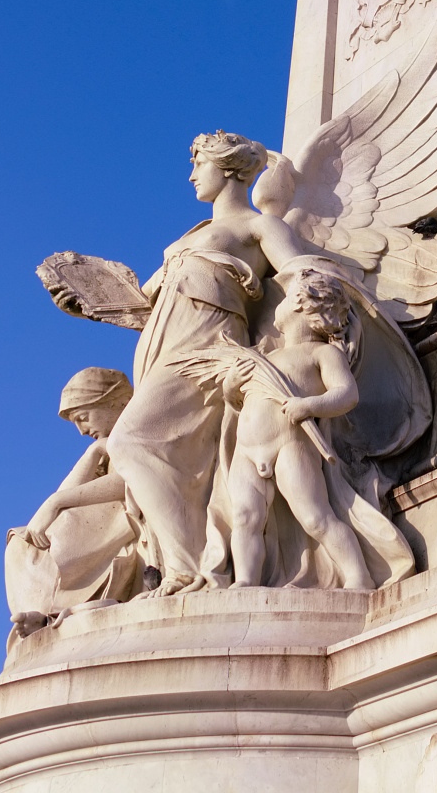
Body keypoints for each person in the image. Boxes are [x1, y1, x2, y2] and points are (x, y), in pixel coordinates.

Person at [106, 130, 315, 597]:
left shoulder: (259, 228)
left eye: (198, 164)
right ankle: (186, 562)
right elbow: (154, 305)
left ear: (229, 169)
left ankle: (188, 568)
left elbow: (308, 284)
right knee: (158, 455)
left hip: (206, 352)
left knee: (130, 443)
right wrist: (98, 303)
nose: (191, 174)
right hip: (164, 349)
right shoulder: (193, 235)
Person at [224, 267, 412, 591]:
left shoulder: (321, 352)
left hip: (291, 446)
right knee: (244, 517)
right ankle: (245, 580)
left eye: (283, 298)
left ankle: (359, 575)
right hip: (247, 449)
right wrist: (230, 386)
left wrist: (308, 406)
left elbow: (346, 394)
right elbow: (238, 401)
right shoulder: (264, 357)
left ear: (300, 303)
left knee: (316, 518)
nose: (277, 306)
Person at [6, 368, 142, 636]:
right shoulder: (109, 446)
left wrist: (56, 503)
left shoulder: (142, 429)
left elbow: (133, 479)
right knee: (22, 541)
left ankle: (53, 609)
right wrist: (92, 454)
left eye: (83, 417)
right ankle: (44, 613)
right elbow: (66, 497)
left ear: (119, 402)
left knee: (62, 524)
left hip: (129, 518)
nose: (81, 431)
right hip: (107, 525)